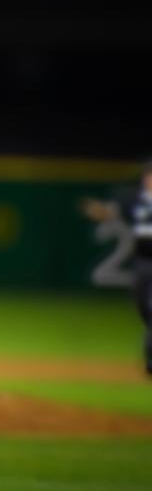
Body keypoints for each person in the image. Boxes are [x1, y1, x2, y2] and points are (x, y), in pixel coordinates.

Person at [82, 160, 152, 374]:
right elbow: (111, 213)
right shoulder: (133, 199)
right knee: (145, 310)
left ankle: (150, 362)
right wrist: (98, 211)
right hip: (142, 261)